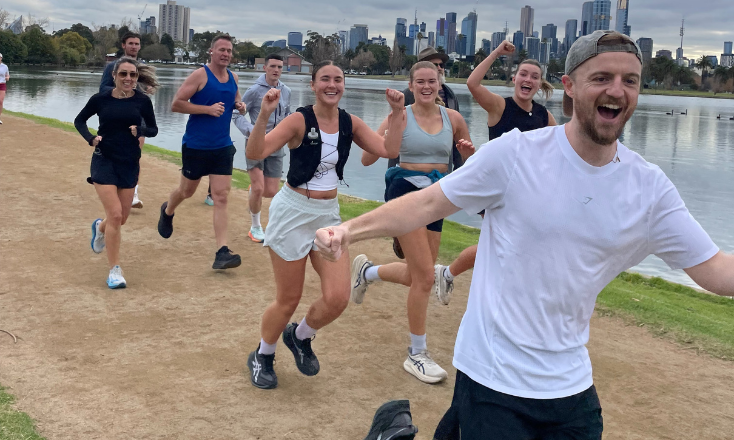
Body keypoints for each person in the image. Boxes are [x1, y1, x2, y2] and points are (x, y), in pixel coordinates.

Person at [314, 31, 734, 438]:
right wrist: (349, 229)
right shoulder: (516, 154)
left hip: (571, 387)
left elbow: (716, 271)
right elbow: (427, 204)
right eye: (602, 78)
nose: (617, 91)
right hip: (492, 377)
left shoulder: (650, 188)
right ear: (570, 86)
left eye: (630, 81)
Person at [245, 60, 405, 390]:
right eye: (325, 79)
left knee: (337, 298)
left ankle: (300, 336)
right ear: (314, 85)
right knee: (288, 298)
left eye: (338, 79)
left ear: (343, 85)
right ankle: (263, 354)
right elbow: (256, 149)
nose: (332, 85)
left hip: (328, 215)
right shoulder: (298, 120)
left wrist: (396, 112)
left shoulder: (350, 123)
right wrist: (263, 114)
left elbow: (389, 149)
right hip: (292, 213)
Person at [353, 61, 474, 385]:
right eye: (419, 81)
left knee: (417, 275)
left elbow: (469, 163)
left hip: (437, 195)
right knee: (423, 279)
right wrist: (392, 121)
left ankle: (367, 273)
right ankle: (416, 353)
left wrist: (468, 152)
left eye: (431, 81)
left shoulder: (454, 119)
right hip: (404, 191)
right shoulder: (401, 115)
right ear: (410, 85)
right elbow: (367, 158)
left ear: (440, 84)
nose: (426, 86)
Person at [434, 40, 558, 297]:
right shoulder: (499, 106)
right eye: (523, 74)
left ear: (539, 84)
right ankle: (471, 283)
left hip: (525, 194)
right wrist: (498, 53)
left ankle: (447, 274)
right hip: (496, 187)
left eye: (534, 77)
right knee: (505, 244)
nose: (528, 79)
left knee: (500, 244)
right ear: (514, 78)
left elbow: (561, 151)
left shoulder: (544, 117)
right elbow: (472, 84)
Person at [157, 34, 245, 270]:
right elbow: (176, 104)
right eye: (222, 50)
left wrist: (240, 105)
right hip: (196, 146)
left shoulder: (233, 78)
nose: (226, 54)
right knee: (186, 191)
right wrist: (207, 110)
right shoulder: (200, 75)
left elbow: (235, 99)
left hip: (223, 146)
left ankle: (222, 252)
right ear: (211, 52)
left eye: (229, 50)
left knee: (221, 197)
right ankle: (167, 210)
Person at [75, 57, 158, 288]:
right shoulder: (100, 99)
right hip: (104, 160)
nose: (128, 79)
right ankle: (115, 271)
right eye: (123, 74)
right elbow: (79, 120)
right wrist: (91, 138)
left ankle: (99, 227)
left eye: (132, 75)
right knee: (115, 215)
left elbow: (153, 129)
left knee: (121, 218)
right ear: (114, 76)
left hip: (129, 162)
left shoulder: (142, 101)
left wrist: (140, 129)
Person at [389, 46, 463, 259]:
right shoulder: (404, 100)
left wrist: (458, 172)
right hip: (405, 180)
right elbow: (390, 146)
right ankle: (398, 231)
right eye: (433, 64)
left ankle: (368, 272)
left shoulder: (449, 97)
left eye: (440, 66)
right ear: (412, 84)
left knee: (424, 270)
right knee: (421, 271)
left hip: (438, 186)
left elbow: (458, 144)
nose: (438, 68)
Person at [232, 53, 291, 243]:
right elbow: (237, 113)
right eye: (273, 66)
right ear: (264, 68)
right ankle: (255, 227)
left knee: (271, 191)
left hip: (277, 144)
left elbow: (288, 115)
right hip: (256, 143)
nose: (276, 70)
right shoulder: (254, 91)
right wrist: (251, 131)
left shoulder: (286, 91)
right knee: (259, 188)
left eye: (280, 67)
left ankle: (254, 191)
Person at [101, 32, 148, 209]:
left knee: (135, 153)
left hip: (138, 115)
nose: (134, 47)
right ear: (123, 45)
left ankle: (133, 191)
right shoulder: (112, 66)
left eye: (137, 44)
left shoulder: (143, 67)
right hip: (116, 116)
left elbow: (146, 88)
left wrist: (147, 88)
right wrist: (123, 87)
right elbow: (103, 88)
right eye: (131, 43)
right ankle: (114, 186)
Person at [0, 53, 9, 125]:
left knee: (0, 101)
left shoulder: (5, 66)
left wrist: (7, 78)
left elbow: (7, 75)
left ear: (1, 58)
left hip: (2, 84)